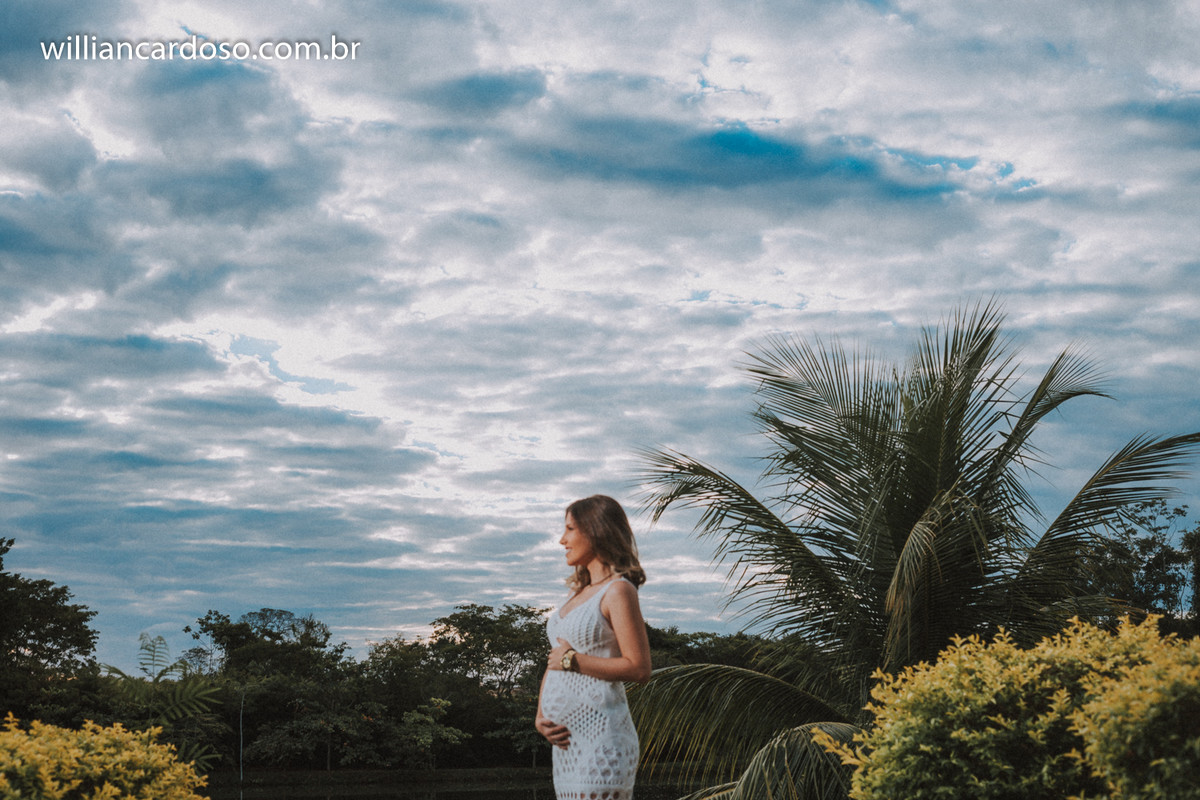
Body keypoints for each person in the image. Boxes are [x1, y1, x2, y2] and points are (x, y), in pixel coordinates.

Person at [535, 495, 652, 800]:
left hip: (603, 739)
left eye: (570, 529)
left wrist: (573, 660)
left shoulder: (619, 591)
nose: (562, 540)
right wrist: (541, 716)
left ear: (595, 530)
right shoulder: (577, 595)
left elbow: (638, 668)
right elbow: (555, 660)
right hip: (568, 745)